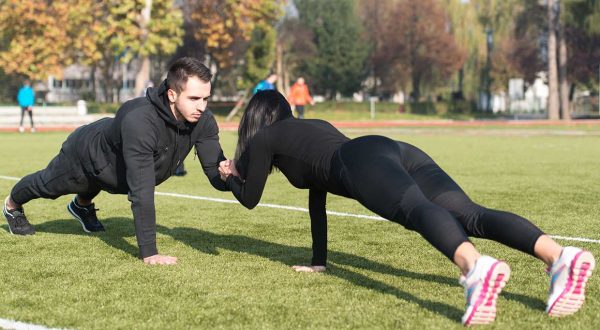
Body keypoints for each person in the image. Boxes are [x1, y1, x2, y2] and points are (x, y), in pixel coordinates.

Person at [218, 90, 595, 326]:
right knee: (471, 214)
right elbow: (318, 198)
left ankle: (474, 267)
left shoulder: (266, 138)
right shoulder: (311, 127)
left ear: (254, 122)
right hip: (391, 148)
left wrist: (232, 174)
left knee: (413, 209)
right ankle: (560, 256)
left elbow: (249, 199)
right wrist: (319, 261)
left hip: (360, 161)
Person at [3, 57, 230, 265]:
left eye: (205, 98)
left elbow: (214, 171)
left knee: (108, 177)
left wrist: (231, 175)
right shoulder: (140, 120)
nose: (202, 106)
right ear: (172, 94)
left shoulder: (203, 120)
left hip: (115, 167)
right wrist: (149, 252)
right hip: (86, 155)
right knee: (48, 185)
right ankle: (12, 206)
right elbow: (142, 190)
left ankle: (81, 207)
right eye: (194, 98)